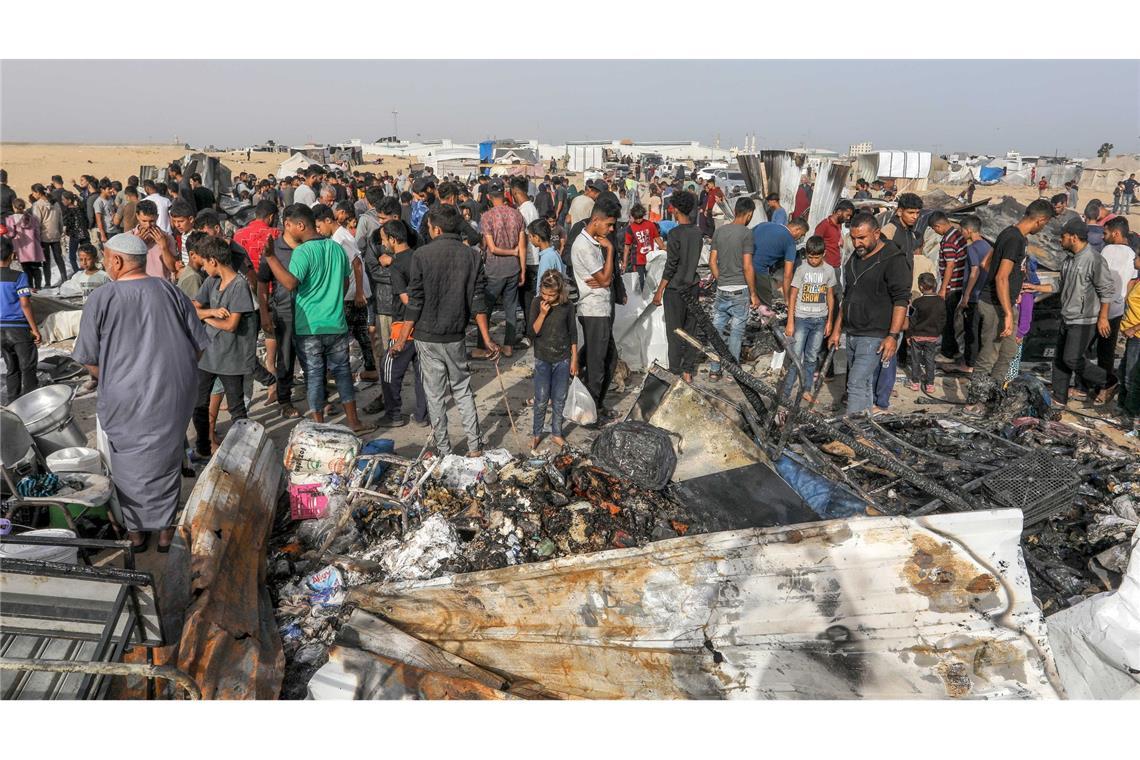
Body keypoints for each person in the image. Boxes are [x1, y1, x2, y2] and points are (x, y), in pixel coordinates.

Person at [72, 233, 208, 552]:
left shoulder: (101, 298)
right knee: (167, 458)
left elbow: (89, 359)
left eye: (106, 258)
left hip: (123, 398)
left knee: (126, 465)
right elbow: (198, 346)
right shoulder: (170, 290)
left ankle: (135, 533)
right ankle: (163, 533)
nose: (105, 263)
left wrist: (116, 378)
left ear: (117, 261)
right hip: (171, 394)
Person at [261, 203, 373, 433]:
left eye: (288, 226)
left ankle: (319, 426)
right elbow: (345, 283)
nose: (286, 230)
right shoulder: (335, 248)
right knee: (342, 373)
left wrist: (271, 258)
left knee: (314, 375)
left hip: (309, 326)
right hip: (336, 323)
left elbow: (291, 283)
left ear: (300, 225)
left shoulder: (302, 252)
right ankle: (354, 421)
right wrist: (330, 300)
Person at [399, 205, 499, 456]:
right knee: (462, 389)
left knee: (435, 396)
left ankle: (443, 450)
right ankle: (475, 446)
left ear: (437, 229)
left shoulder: (422, 255)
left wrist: (402, 337)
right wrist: (487, 339)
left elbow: (415, 301)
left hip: (427, 335)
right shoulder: (472, 256)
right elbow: (478, 302)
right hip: (455, 335)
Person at [968, 199, 1054, 404]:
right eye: (1046, 224)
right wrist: (1007, 310)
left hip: (1006, 303)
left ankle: (992, 398)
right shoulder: (1014, 239)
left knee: (1007, 353)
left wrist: (1011, 288)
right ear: (1041, 220)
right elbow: (1000, 277)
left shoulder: (1013, 235)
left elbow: (985, 263)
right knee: (989, 355)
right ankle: (974, 403)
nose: (1044, 228)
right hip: (995, 306)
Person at [1022, 218, 1114, 409]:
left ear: (1073, 237)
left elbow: (1106, 291)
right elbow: (1059, 285)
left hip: (1084, 319)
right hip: (1067, 316)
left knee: (1071, 358)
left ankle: (1108, 381)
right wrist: (1035, 287)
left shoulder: (1094, 260)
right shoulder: (1069, 260)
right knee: (1059, 360)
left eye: (1062, 237)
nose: (1060, 241)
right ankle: (1059, 398)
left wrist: (1103, 318)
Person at [828, 213, 910, 415]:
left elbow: (901, 301)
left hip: (877, 334)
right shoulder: (854, 260)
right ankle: (864, 429)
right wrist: (837, 331)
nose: (857, 243)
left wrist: (892, 336)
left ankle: (853, 432)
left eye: (862, 238)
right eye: (854, 238)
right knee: (863, 384)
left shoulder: (893, 259)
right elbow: (847, 297)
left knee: (855, 382)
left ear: (877, 233)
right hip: (854, 332)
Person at [189, 237, 261, 462]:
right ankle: (203, 447)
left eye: (205, 263)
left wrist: (206, 318)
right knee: (199, 404)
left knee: (237, 409)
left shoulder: (239, 285)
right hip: (208, 356)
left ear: (214, 260)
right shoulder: (211, 282)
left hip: (232, 358)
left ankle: (245, 452)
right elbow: (193, 308)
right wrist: (210, 313)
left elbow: (231, 325)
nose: (203, 267)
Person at [377, 220, 428, 428]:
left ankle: (394, 414)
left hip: (403, 325)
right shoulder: (419, 256)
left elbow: (407, 300)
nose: (382, 244)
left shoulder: (397, 265)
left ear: (393, 239)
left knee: (388, 368)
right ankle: (422, 415)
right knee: (421, 372)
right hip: (423, 325)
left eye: (383, 239)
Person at [571, 204, 619, 418]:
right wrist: (610, 250)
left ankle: (595, 405)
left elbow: (605, 280)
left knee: (606, 359)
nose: (610, 230)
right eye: (609, 225)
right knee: (598, 365)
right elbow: (605, 279)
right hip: (593, 310)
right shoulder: (584, 245)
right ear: (596, 221)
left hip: (600, 309)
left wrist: (605, 280)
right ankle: (591, 411)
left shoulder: (592, 242)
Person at [652, 190, 702, 382]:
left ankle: (675, 371)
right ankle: (688, 371)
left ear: (677, 210)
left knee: (674, 333)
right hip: (693, 286)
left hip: (674, 289)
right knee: (691, 330)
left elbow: (671, 265)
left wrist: (659, 291)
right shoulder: (697, 233)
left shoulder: (674, 234)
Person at [708, 197, 758, 379]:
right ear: (749, 214)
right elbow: (747, 266)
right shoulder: (746, 233)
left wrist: (721, 279)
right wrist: (753, 293)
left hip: (722, 290)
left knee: (717, 331)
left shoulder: (719, 232)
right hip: (740, 291)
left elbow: (712, 261)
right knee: (736, 333)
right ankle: (733, 372)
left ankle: (714, 370)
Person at [528, 269, 578, 450]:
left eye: (551, 295)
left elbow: (573, 333)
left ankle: (557, 433)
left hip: (563, 358)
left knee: (560, 398)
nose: (546, 298)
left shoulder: (567, 306)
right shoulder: (536, 303)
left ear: (560, 292)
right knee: (541, 399)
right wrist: (542, 314)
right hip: (542, 357)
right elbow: (532, 333)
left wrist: (574, 359)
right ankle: (537, 433)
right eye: (544, 293)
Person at [782, 236, 836, 401]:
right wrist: (790, 321)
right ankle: (785, 393)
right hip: (801, 319)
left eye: (816, 257)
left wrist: (830, 321)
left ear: (823, 254)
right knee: (795, 357)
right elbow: (793, 295)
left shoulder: (829, 270)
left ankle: (806, 389)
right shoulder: (801, 269)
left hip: (820, 320)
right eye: (810, 257)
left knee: (812, 357)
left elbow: (830, 296)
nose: (813, 260)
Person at [478, 180, 526, 357]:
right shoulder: (517, 215)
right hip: (513, 268)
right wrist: (522, 269)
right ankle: (508, 346)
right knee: (511, 309)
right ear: (504, 194)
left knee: (486, 309)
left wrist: (511, 251)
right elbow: (522, 247)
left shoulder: (487, 217)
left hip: (494, 270)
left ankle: (483, 345)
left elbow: (492, 248)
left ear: (489, 197)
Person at [1097, 217, 1138, 397]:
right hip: (1118, 311)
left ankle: (1102, 386)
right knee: (1108, 351)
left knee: (1095, 350)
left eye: (1105, 233)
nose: (1103, 237)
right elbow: (1130, 283)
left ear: (1116, 233)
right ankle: (1106, 387)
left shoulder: (1108, 249)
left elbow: (1100, 278)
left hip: (1102, 308)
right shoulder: (1130, 254)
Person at [1, 237, 41, 402]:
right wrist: (35, 329)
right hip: (18, 329)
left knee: (12, 368)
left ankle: (13, 404)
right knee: (28, 367)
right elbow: (25, 303)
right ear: (12, 255)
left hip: (1, 331)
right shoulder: (19, 277)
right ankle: (31, 404)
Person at [928, 212, 967, 360]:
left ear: (938, 226)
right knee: (951, 319)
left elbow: (950, 265)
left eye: (934, 229)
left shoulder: (949, 240)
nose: (936, 232)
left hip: (952, 286)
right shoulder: (957, 235)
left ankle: (948, 351)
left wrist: (943, 288)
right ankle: (953, 348)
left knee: (947, 319)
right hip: (958, 283)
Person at [955, 214, 991, 374]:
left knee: (971, 332)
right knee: (982, 333)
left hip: (975, 295)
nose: (961, 233)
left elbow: (974, 271)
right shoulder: (988, 247)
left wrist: (966, 295)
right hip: (985, 295)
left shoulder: (972, 248)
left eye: (962, 230)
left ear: (969, 230)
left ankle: (969, 364)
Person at [753, 217, 810, 306]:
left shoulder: (765, 224)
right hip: (759, 271)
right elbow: (787, 275)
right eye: (802, 235)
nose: (800, 238)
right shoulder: (790, 242)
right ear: (797, 229)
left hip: (743, 265)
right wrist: (787, 299)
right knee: (766, 306)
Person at [905, 272, 946, 394]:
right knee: (930, 360)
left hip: (917, 336)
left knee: (915, 359)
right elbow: (943, 319)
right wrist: (938, 332)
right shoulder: (941, 301)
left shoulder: (917, 302)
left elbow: (912, 320)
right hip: (932, 336)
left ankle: (915, 382)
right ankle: (930, 384)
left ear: (921, 287)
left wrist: (908, 334)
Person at [512, 177, 541, 320]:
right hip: (532, 259)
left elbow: (524, 238)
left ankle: (530, 332)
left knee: (528, 301)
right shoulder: (530, 207)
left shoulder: (524, 211)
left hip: (529, 261)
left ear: (515, 192)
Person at [130, 200, 180, 280]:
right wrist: (137, 245)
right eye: (144, 221)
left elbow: (173, 268)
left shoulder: (167, 238)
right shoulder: (128, 237)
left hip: (161, 285)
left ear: (157, 217)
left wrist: (164, 247)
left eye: (151, 221)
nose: (148, 225)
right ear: (137, 216)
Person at [1118, 246, 1140, 423]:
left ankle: (1130, 414)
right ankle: (1123, 409)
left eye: (1137, 257)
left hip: (1138, 337)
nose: (1134, 260)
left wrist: (1134, 328)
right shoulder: (1137, 280)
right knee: (1124, 371)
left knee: (1131, 376)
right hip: (1132, 336)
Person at [4, 198, 44, 289]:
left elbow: (11, 234)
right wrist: (40, 245)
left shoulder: (11, 219)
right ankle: (38, 287)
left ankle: (30, 286)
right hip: (34, 246)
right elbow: (37, 232)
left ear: (14, 207)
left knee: (26, 269)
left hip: (21, 247)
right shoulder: (31, 218)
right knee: (36, 268)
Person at [622, 204, 662, 293]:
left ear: (643, 215)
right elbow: (627, 246)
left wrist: (664, 249)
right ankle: (639, 302)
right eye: (636, 218)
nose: (639, 220)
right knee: (639, 283)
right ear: (633, 217)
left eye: (640, 217)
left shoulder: (650, 224)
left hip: (650, 259)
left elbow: (657, 238)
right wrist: (624, 262)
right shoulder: (630, 228)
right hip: (637, 260)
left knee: (652, 282)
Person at [31, 184, 65, 285]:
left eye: (33, 192)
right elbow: (60, 220)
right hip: (55, 235)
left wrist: (35, 237)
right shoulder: (56, 203)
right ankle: (65, 279)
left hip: (43, 236)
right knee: (59, 258)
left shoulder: (37, 205)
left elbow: (37, 223)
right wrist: (59, 231)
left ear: (38, 193)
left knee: (46, 261)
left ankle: (48, 283)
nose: (33, 195)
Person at [881, 193, 923, 268]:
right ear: (900, 212)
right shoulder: (889, 230)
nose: (915, 217)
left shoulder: (910, 232)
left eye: (917, 213)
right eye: (911, 213)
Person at [815, 200, 855, 269]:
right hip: (825, 268)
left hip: (836, 266)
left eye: (850, 216)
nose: (848, 218)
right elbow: (815, 246)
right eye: (847, 215)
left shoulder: (839, 225)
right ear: (839, 212)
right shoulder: (824, 225)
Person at [530, 219, 564, 287]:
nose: (529, 239)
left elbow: (545, 285)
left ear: (537, 238)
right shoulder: (553, 252)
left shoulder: (547, 258)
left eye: (530, 237)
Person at [61, 191, 89, 274]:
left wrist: (66, 232)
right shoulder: (80, 208)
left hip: (75, 235)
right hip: (84, 234)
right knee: (87, 254)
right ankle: (88, 269)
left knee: (72, 256)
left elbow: (67, 223)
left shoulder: (67, 211)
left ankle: (77, 272)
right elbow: (86, 221)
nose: (62, 201)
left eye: (63, 200)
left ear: (69, 200)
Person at [177, 232, 207, 299]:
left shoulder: (197, 272)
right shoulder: (193, 277)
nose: (209, 256)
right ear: (192, 255)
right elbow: (195, 307)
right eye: (205, 253)